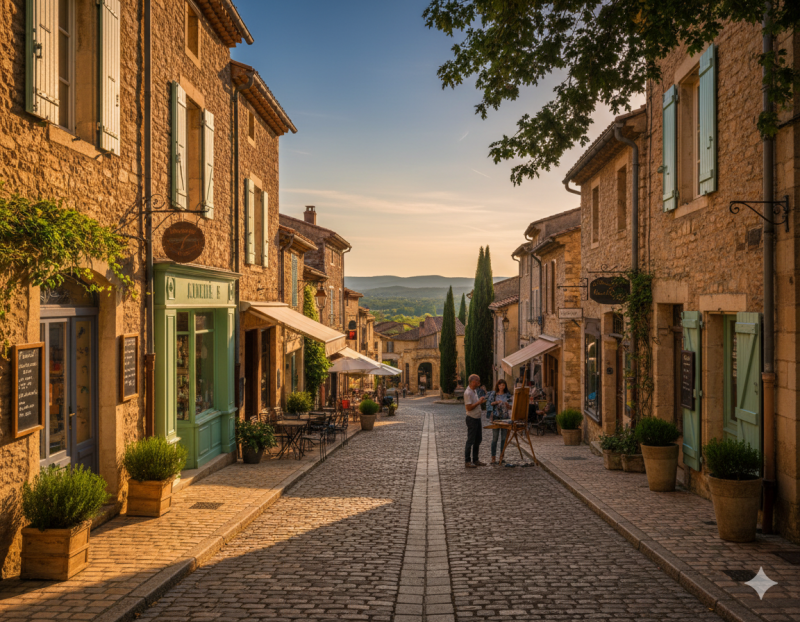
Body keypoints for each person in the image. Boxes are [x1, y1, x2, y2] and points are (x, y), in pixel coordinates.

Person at [464, 374, 487, 468]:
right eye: (478, 381)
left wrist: (481, 401)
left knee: (478, 440)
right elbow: (468, 408)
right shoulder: (468, 393)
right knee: (470, 440)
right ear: (473, 382)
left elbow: (475, 404)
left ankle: (476, 459)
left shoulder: (474, 391)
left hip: (477, 418)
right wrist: (479, 402)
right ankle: (467, 461)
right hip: (471, 418)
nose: (479, 383)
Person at [487, 379, 513, 464]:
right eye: (500, 385)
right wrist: (497, 402)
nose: (501, 387)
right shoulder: (494, 394)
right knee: (495, 438)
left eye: (503, 385)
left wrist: (508, 405)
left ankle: (501, 457)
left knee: (503, 439)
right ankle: (493, 458)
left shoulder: (508, 395)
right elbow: (489, 404)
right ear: (497, 386)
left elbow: (512, 405)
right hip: (496, 417)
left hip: (505, 418)